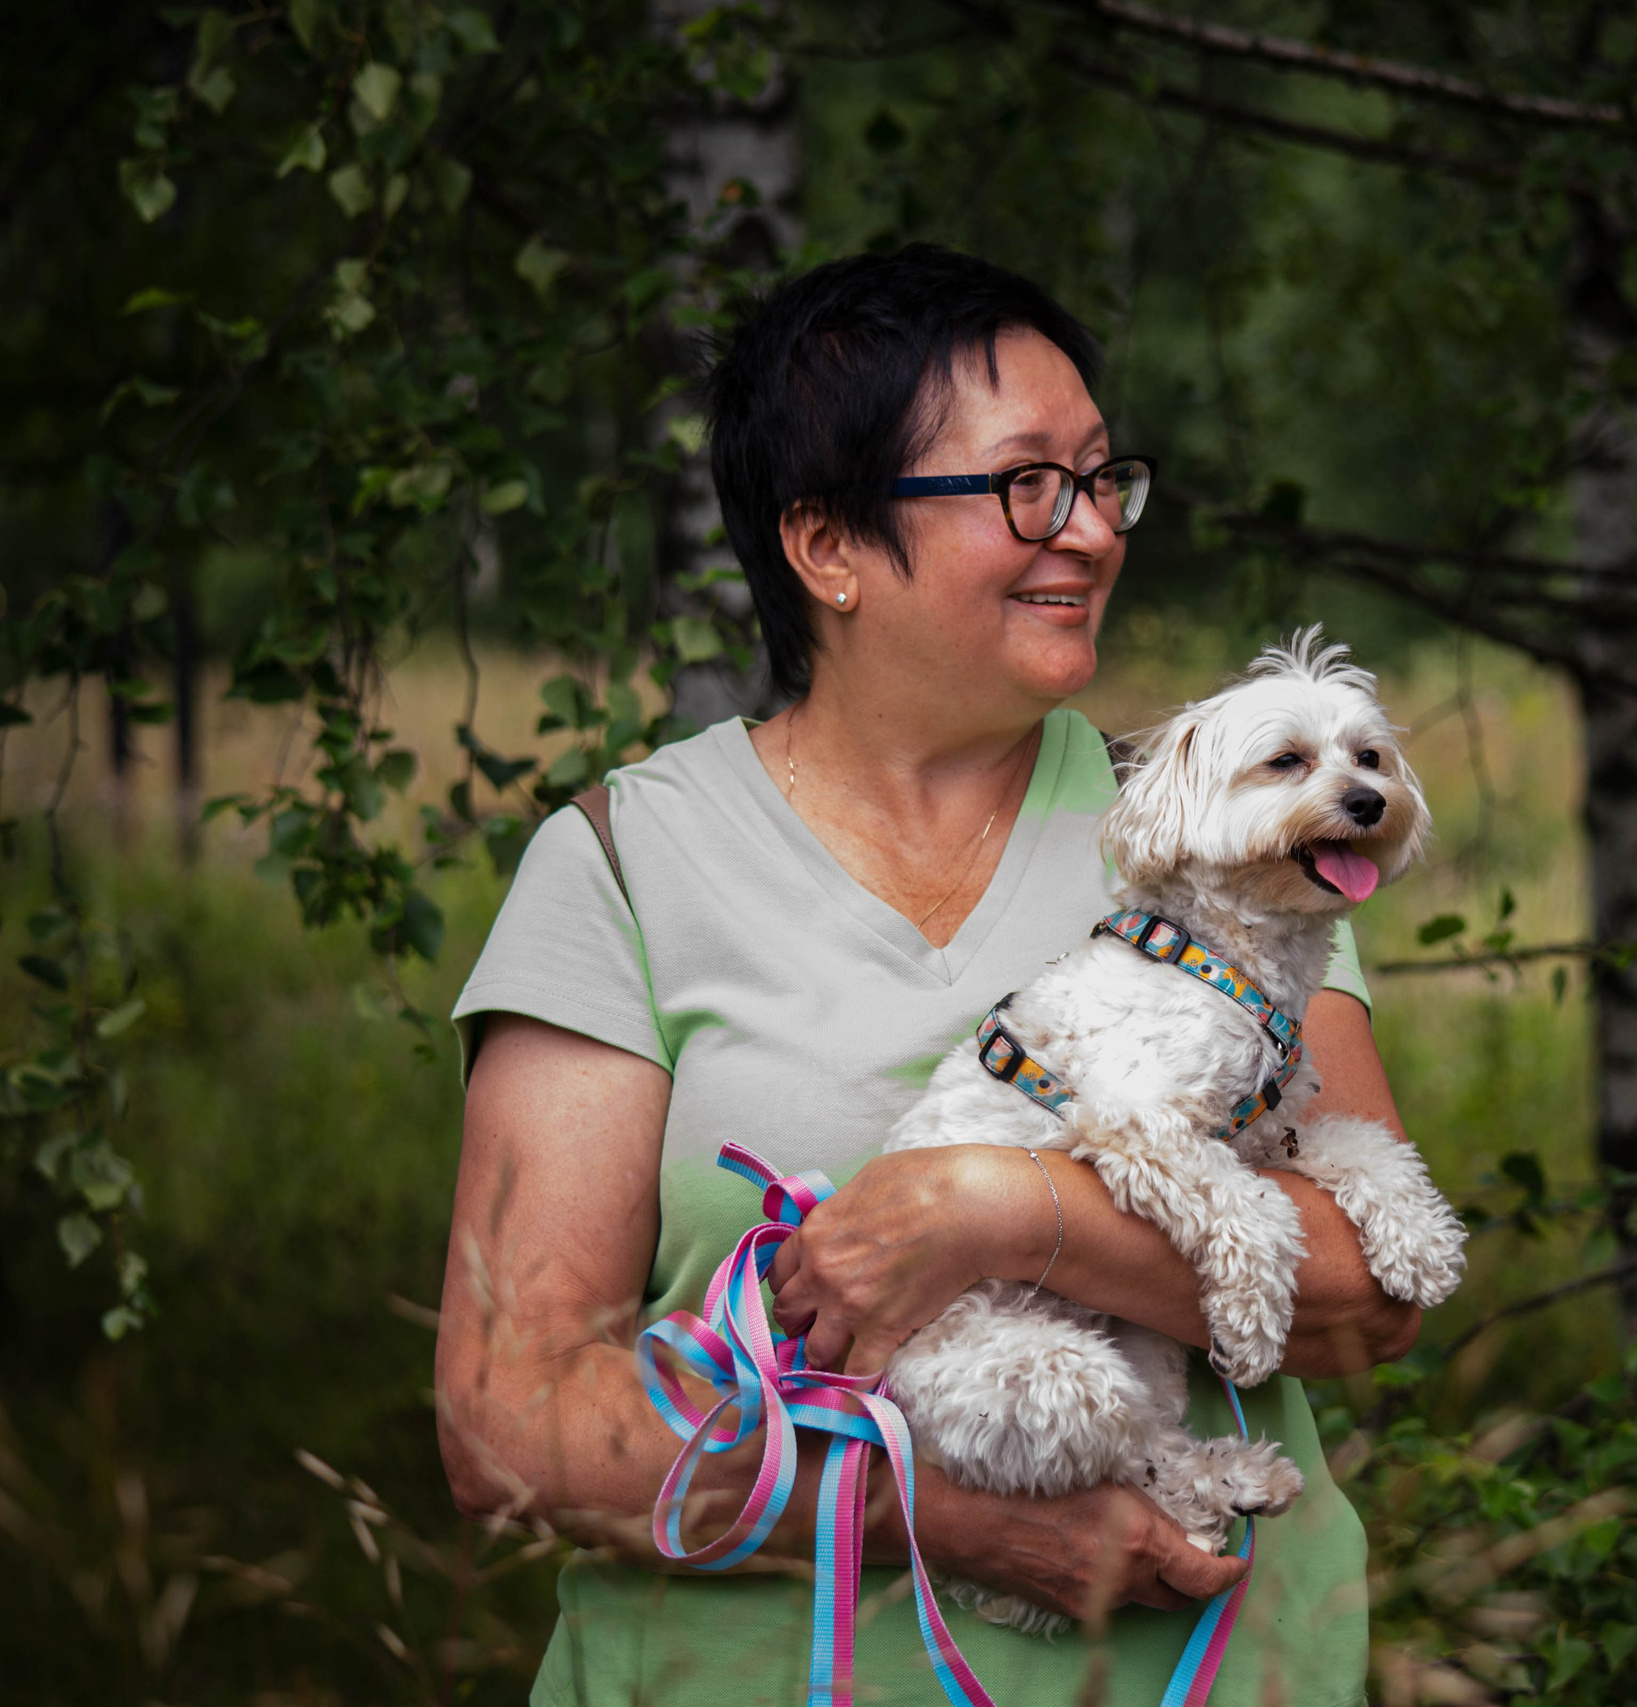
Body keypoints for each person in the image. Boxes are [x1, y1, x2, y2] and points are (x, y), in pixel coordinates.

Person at [435, 245, 1425, 1707]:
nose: (1092, 529)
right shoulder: (625, 866)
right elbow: (508, 1419)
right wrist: (947, 1520)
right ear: (828, 545)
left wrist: (1001, 1210)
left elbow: (1366, 1300)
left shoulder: (1227, 829)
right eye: (1028, 485)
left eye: (1103, 478)